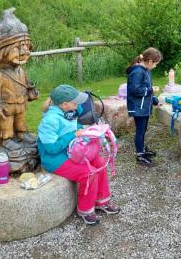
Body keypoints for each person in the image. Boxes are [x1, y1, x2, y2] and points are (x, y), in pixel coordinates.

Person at [38, 84, 120, 225]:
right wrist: (74, 134)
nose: (78, 106)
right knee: (89, 173)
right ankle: (86, 210)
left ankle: (101, 201)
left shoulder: (69, 112)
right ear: (64, 104)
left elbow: (76, 121)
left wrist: (88, 132)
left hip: (73, 151)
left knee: (100, 163)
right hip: (55, 159)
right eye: (75, 103)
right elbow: (51, 148)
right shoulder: (50, 120)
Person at [126, 47, 163, 166]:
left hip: (144, 107)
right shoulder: (137, 72)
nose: (155, 66)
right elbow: (135, 90)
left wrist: (155, 101)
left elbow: (147, 89)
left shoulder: (146, 70)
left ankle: (142, 149)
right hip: (138, 108)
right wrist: (150, 90)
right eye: (156, 64)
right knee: (140, 131)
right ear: (150, 61)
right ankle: (139, 155)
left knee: (143, 130)